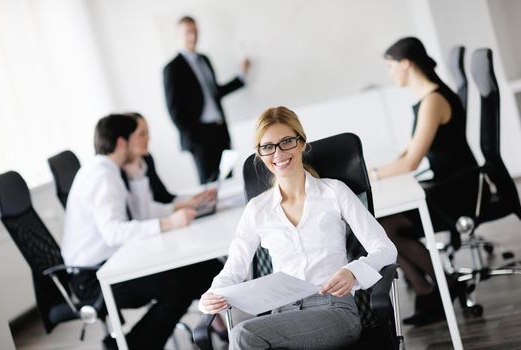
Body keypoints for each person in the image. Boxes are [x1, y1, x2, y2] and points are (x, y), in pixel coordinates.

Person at [199, 106, 397, 349]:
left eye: (287, 142)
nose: (278, 153)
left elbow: (385, 248)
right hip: (282, 315)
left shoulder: (334, 192)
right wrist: (213, 294)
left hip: (333, 310)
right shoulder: (256, 209)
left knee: (244, 335)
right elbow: (233, 270)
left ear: (301, 143)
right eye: (268, 147)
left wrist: (353, 271)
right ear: (260, 154)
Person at [61, 113, 222, 349]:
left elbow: (141, 214)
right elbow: (114, 232)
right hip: (94, 277)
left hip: (112, 262)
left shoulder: (111, 170)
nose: (147, 139)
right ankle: (134, 345)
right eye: (139, 135)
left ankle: (219, 329)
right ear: (121, 142)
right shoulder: (103, 175)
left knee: (204, 269)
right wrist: (169, 222)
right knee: (181, 282)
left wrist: (137, 175)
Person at [372, 37, 478, 326]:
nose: (391, 73)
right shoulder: (426, 99)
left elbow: (410, 163)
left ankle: (439, 286)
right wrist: (376, 170)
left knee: (384, 226)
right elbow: (408, 150)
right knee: (382, 225)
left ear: (406, 64)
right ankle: (431, 288)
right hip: (447, 184)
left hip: (455, 191)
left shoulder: (433, 101)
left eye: (391, 66)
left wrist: (372, 175)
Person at [163, 15, 251, 184]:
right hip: (200, 138)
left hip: (220, 130)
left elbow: (214, 92)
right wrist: (195, 137)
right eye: (188, 32)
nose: (193, 36)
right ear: (178, 36)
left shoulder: (204, 59)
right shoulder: (172, 68)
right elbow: (174, 111)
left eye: (195, 31)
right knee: (210, 186)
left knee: (229, 180)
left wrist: (241, 76)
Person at [122, 112, 216, 211]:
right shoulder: (119, 172)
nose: (148, 138)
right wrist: (183, 206)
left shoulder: (147, 159)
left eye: (148, 132)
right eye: (142, 134)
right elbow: (140, 212)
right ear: (126, 139)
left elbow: (164, 197)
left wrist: (195, 197)